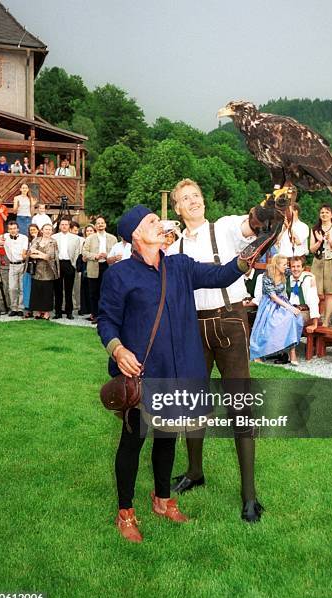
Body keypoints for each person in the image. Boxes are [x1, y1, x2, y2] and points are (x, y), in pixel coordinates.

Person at [97, 205, 250, 543]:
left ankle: (162, 500)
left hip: (179, 372)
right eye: (151, 221)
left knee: (167, 438)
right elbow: (106, 321)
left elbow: (221, 275)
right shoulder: (119, 275)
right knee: (132, 442)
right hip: (142, 374)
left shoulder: (179, 266)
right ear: (136, 234)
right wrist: (118, 350)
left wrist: (252, 251)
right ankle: (126, 513)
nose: (159, 223)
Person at [168, 178, 262, 523]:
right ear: (177, 208)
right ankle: (194, 472)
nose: (193, 201)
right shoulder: (172, 246)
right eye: (186, 198)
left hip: (230, 321)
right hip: (193, 325)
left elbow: (250, 224)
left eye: (197, 196)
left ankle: (249, 495)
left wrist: (265, 212)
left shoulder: (223, 229)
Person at [250, 254, 304, 365]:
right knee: (275, 322)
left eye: (287, 264)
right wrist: (290, 307)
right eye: (284, 265)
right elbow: (273, 297)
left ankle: (292, 352)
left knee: (294, 318)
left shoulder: (285, 272)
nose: (286, 267)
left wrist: (310, 277)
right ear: (277, 265)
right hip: (269, 305)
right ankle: (259, 353)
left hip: (282, 302)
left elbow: (298, 272)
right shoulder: (267, 276)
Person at [310, 205, 332, 327]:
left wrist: (330, 240)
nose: (324, 214)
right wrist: (319, 241)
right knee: (315, 292)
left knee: (329, 292)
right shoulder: (315, 229)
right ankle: (315, 319)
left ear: (331, 215)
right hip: (318, 260)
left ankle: (326, 321)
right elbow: (311, 249)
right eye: (322, 212)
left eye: (326, 212)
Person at [82, 216, 117, 324]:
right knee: (94, 293)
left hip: (108, 266)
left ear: (105, 225)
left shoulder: (113, 238)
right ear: (95, 226)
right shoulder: (90, 238)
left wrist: (107, 255)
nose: (100, 225)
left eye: (102, 223)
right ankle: (95, 315)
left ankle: (106, 315)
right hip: (94, 266)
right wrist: (96, 256)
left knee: (107, 292)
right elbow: (84, 253)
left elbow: (116, 252)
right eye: (98, 223)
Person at [0, 221, 28, 316]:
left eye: (14, 228)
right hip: (12, 265)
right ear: (8, 230)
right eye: (11, 229)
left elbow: (24, 252)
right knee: (12, 288)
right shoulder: (6, 236)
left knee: (21, 288)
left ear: (18, 229)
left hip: (22, 264)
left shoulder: (24, 238)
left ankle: (20, 308)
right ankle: (13, 308)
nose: (13, 230)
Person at [52, 218, 81, 319]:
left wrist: (74, 264)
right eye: (62, 224)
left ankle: (69, 312)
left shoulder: (75, 238)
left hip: (69, 264)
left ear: (69, 226)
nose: (64, 226)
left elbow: (77, 252)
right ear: (59, 226)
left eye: (66, 224)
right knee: (58, 289)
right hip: (58, 264)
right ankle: (58, 312)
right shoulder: (54, 237)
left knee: (69, 289)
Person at [29, 223, 59, 320]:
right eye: (46, 229)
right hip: (37, 269)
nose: (48, 231)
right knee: (36, 291)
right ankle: (37, 312)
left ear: (52, 231)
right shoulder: (36, 240)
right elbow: (31, 253)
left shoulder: (53, 242)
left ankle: (46, 312)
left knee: (47, 292)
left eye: (50, 229)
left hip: (48, 269)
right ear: (42, 230)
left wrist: (38, 252)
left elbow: (49, 257)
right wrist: (40, 255)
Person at [23, 223, 40, 319]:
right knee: (28, 288)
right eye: (31, 230)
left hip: (39, 267)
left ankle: (37, 309)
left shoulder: (41, 240)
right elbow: (25, 255)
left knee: (37, 288)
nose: (33, 231)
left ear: (38, 230)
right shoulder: (27, 241)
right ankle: (29, 309)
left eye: (34, 229)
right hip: (29, 267)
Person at [79, 224, 95, 316]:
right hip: (85, 266)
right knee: (85, 288)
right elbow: (83, 256)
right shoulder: (84, 242)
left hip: (95, 265)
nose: (89, 232)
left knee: (93, 289)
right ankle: (85, 309)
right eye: (87, 231)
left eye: (91, 231)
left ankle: (93, 311)